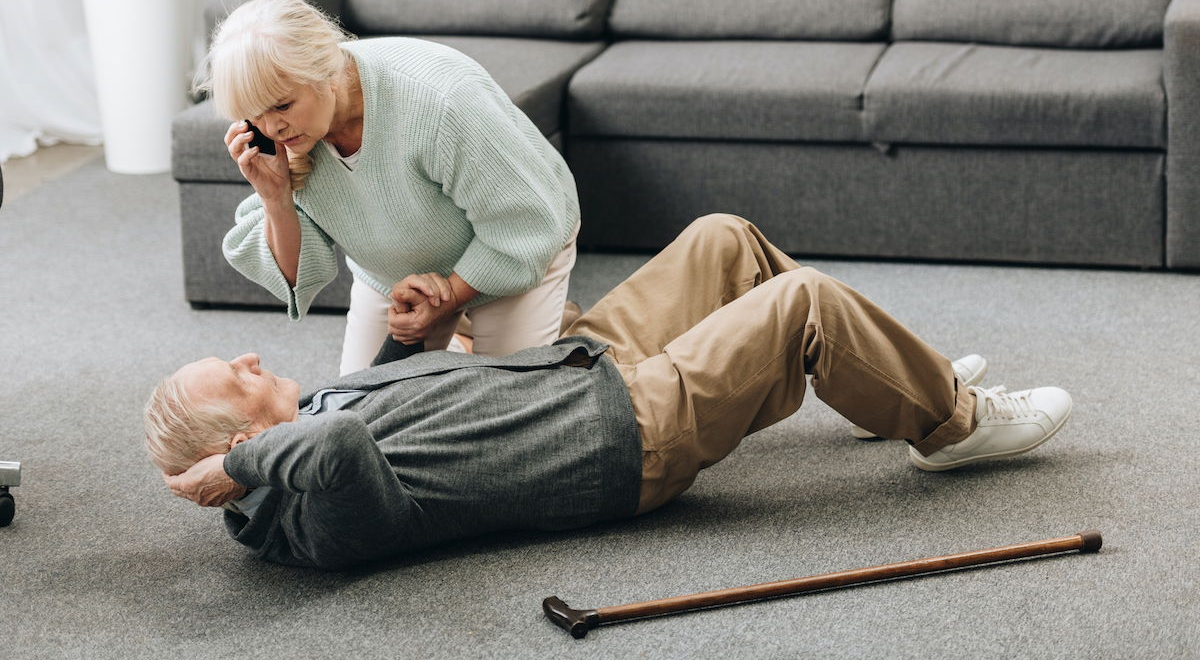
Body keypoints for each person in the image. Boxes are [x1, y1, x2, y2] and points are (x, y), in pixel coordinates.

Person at [148, 214, 1073, 571]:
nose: (251, 361)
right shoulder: (305, 519)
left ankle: (897, 380)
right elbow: (349, 455)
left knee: (724, 240)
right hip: (617, 431)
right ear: (228, 446)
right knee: (805, 302)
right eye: (234, 380)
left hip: (574, 366)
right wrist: (244, 463)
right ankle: (952, 424)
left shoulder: (310, 419)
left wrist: (430, 329)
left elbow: (399, 408)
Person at [198, 0, 580, 374]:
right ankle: (460, 344)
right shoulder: (285, 137)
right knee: (360, 414)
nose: (271, 129)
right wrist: (275, 196)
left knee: (504, 414)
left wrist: (447, 300)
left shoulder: (440, 100)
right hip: (393, 276)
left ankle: (529, 332)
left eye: (282, 106)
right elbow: (299, 276)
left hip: (515, 245)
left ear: (327, 73)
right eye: (254, 114)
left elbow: (524, 224)